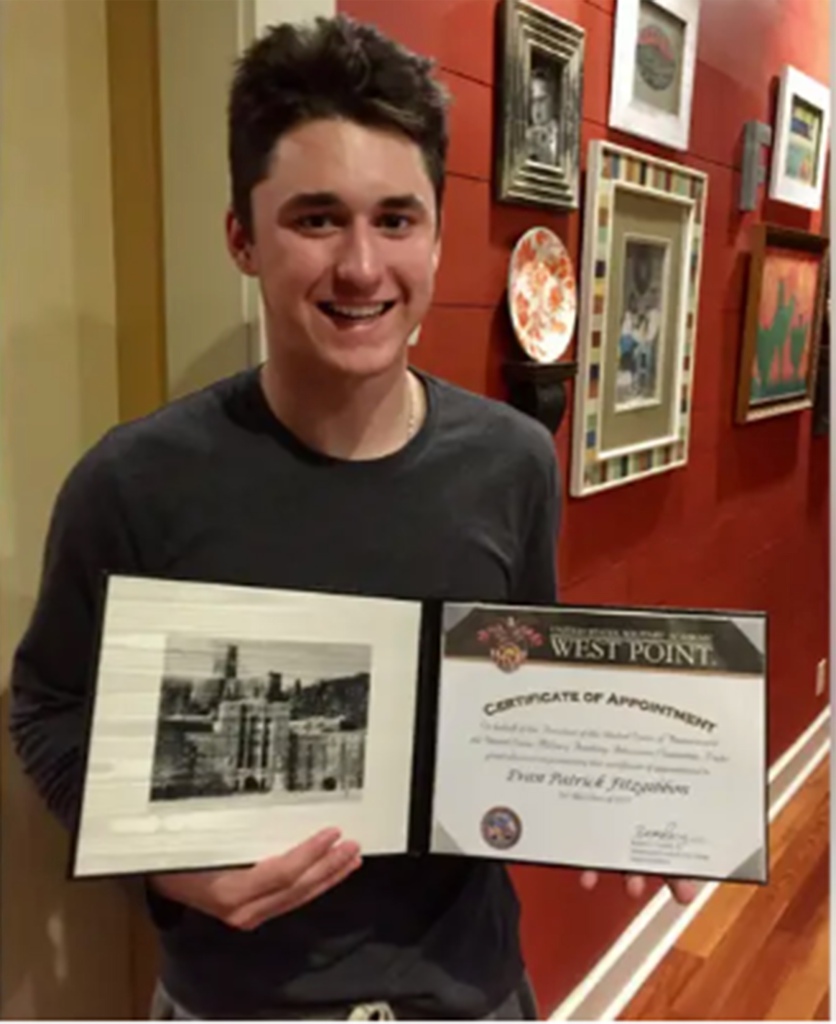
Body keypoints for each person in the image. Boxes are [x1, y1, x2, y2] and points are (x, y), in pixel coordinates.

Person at [9, 14, 695, 1021]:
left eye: (395, 219)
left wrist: (637, 806)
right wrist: (164, 869)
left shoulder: (511, 462)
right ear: (241, 237)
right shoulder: (132, 483)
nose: (363, 268)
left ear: (435, 235)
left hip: (467, 996)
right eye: (316, 219)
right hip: (233, 1001)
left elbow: (522, 694)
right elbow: (48, 709)